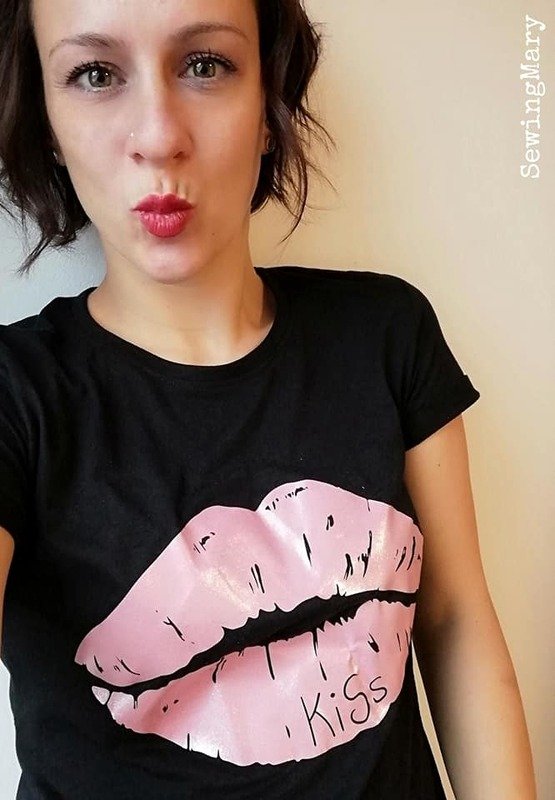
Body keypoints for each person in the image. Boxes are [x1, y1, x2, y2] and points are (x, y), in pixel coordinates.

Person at [0, 1, 537, 798]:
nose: (158, 135)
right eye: (95, 74)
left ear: (267, 102)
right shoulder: (17, 395)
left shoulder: (385, 334)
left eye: (204, 65)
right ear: (45, 121)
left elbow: (455, 624)